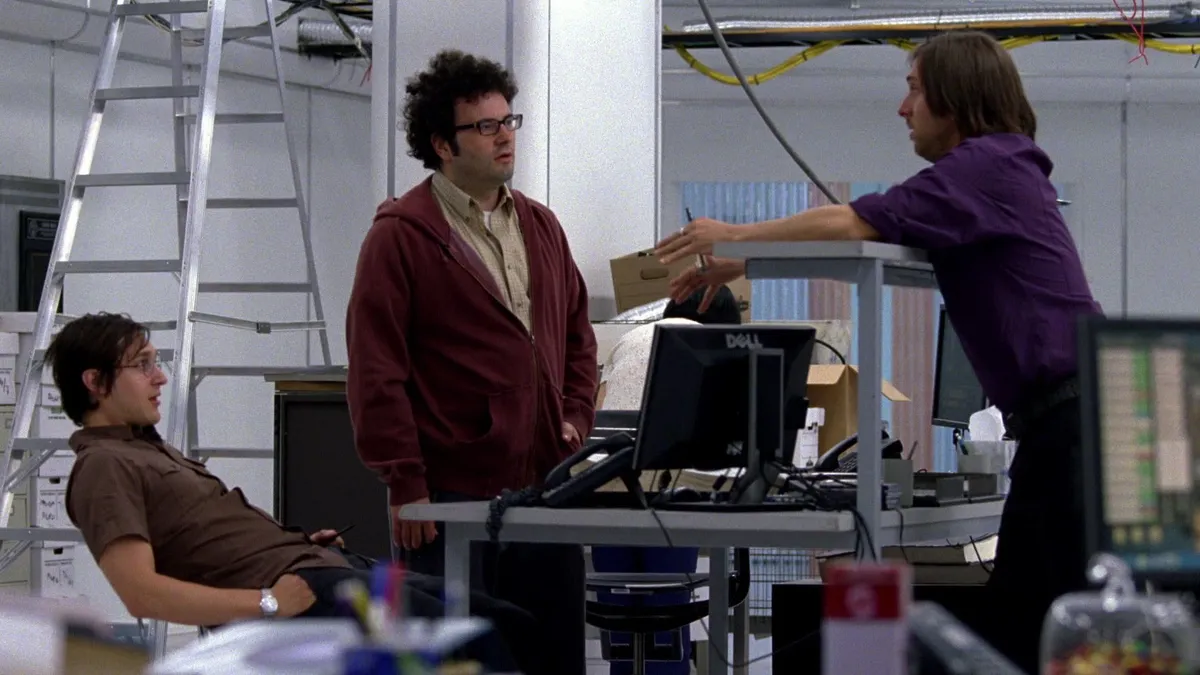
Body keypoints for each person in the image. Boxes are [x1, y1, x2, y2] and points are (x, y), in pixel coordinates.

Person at [653, 31, 1102, 672]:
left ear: (955, 97)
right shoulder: (995, 175)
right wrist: (745, 261)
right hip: (1067, 427)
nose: (902, 107)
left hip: (1069, 432)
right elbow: (868, 244)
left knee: (1032, 630)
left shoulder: (986, 167)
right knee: (1026, 626)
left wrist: (735, 234)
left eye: (914, 89)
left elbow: (854, 223)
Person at [50, 312, 536, 672]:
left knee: (504, 621)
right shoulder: (104, 466)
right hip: (300, 596)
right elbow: (141, 594)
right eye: (142, 365)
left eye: (156, 362)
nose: (159, 377)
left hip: (320, 569)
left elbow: (207, 539)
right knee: (478, 643)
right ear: (95, 382)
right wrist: (268, 601)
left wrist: (297, 544)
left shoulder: (144, 449)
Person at [345, 49, 597, 675]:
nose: (505, 135)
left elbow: (577, 337)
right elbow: (376, 370)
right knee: (459, 661)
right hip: (449, 496)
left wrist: (574, 418)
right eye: (486, 126)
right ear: (443, 144)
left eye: (509, 120)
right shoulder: (401, 236)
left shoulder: (541, 226)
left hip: (544, 486)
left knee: (550, 655)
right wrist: (405, 482)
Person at [591, 286, 742, 675]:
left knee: (619, 622)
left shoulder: (628, 339)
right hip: (668, 498)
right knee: (666, 616)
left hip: (603, 494)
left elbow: (598, 412)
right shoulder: (712, 345)